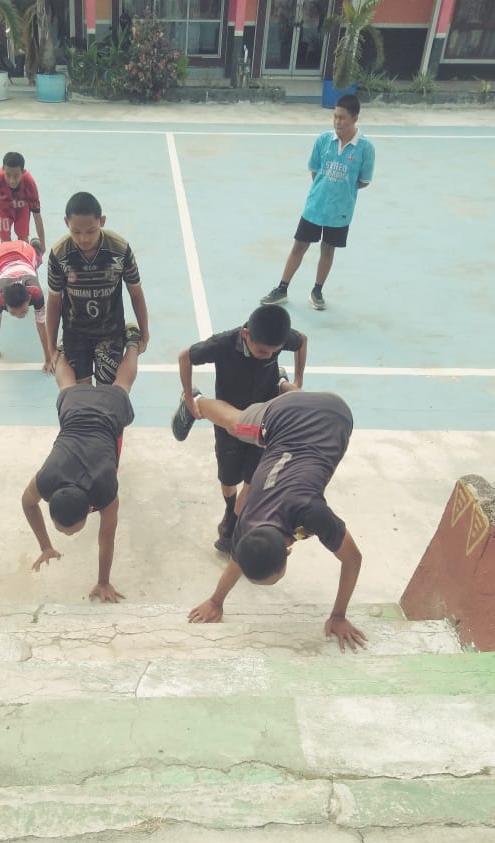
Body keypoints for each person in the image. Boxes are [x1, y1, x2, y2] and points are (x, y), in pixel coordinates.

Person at [187, 390, 367, 653]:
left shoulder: (311, 513)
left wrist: (338, 616)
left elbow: (353, 559)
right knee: (239, 426)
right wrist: (216, 601)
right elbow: (238, 559)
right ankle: (287, 388)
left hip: (332, 413)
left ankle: (195, 400)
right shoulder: (247, 521)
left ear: (286, 551)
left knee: (235, 423)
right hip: (292, 415)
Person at [171, 304, 307, 555]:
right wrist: (189, 397)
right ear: (246, 335)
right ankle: (197, 400)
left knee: (253, 478)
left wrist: (299, 380)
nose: (267, 356)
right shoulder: (222, 344)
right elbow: (184, 357)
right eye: (262, 352)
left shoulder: (275, 337)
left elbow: (302, 341)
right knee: (228, 478)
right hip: (228, 418)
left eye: (274, 352)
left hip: (263, 417)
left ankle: (232, 523)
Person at [21, 340, 140, 603]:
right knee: (67, 385)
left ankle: (132, 344)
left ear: (89, 509)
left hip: (107, 411)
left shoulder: (105, 488)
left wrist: (104, 582)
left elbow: (106, 540)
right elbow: (27, 503)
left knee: (122, 385)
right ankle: (67, 350)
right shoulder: (46, 478)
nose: (68, 535)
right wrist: (45, 546)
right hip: (75, 406)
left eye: (71, 532)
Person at [261, 94, 375, 311]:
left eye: (342, 118)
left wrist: (342, 192)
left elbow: (363, 181)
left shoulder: (365, 148)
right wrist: (325, 189)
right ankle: (282, 288)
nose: (337, 122)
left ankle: (317, 291)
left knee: (328, 250)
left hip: (340, 211)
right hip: (315, 206)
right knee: (299, 246)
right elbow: (314, 170)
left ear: (355, 118)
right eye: (335, 116)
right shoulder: (324, 140)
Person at [46, 191, 149, 383]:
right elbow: (54, 302)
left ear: (102, 221)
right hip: (75, 332)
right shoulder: (59, 254)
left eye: (91, 231)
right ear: (66, 223)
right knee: (81, 394)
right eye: (76, 232)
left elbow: (135, 292)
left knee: (106, 393)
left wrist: (145, 331)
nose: (84, 238)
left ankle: (130, 336)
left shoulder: (120, 250)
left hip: (110, 332)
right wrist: (50, 347)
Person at [0, 212, 51, 369]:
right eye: (14, 313)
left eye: (22, 311)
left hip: (25, 251)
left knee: (36, 260)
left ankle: (36, 247)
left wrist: (48, 359)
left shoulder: (36, 293)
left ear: (29, 299)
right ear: (4, 303)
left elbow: (41, 325)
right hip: (3, 255)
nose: (19, 316)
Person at [0, 151, 45, 252]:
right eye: (8, 175)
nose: (12, 180)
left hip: (22, 208)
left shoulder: (29, 184)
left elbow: (37, 215)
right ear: (3, 170)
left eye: (16, 176)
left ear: (23, 172)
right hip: (2, 208)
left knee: (23, 239)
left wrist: (43, 245)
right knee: (6, 243)